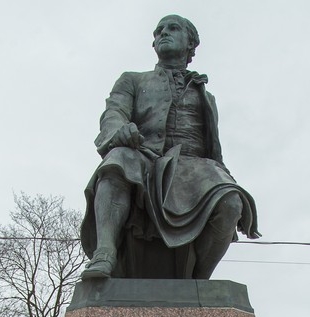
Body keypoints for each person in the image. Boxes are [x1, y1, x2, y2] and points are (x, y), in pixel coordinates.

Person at [80, 14, 259, 281]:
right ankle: (105, 252)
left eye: (172, 28)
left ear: (190, 45)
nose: (162, 33)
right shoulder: (132, 80)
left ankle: (199, 283)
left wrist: (221, 173)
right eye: (157, 31)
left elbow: (212, 147)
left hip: (194, 165)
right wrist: (120, 130)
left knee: (231, 201)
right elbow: (113, 113)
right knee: (117, 161)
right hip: (144, 154)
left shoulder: (206, 96)